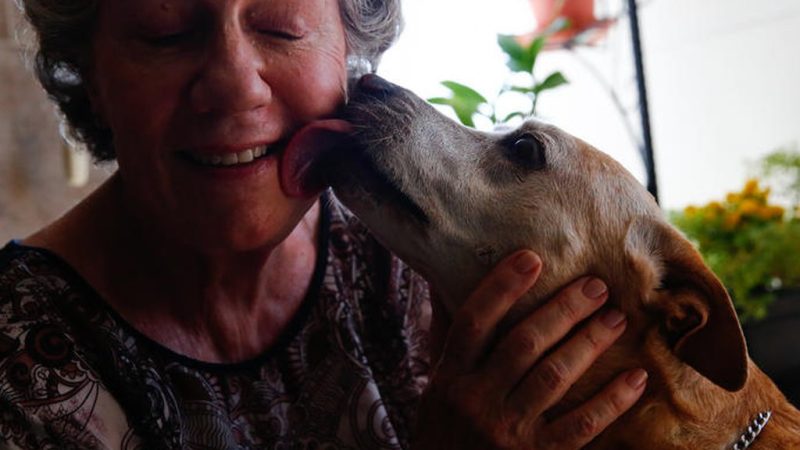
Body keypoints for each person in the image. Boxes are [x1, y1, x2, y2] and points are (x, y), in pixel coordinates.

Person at [0, 0, 647, 448]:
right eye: (165, 34)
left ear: (350, 52)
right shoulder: (20, 368)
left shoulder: (431, 252)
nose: (235, 85)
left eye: (282, 27)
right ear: (89, 76)